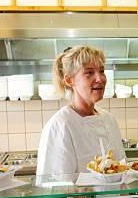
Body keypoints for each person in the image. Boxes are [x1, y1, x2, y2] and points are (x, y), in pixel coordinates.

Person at [37, 45, 125, 176]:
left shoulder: (109, 119)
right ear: (69, 80)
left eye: (101, 71)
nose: (100, 79)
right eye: (89, 73)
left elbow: (121, 169)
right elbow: (54, 186)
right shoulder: (60, 126)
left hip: (115, 197)